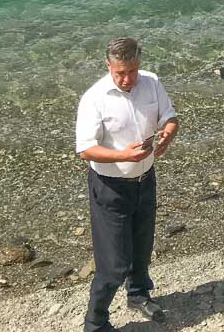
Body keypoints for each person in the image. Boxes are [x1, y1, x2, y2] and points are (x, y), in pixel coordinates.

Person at [76, 37, 179, 330]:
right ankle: (95, 322)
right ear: (108, 65)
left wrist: (168, 134)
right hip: (110, 188)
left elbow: (170, 117)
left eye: (132, 71)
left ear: (139, 63)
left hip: (146, 181)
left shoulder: (151, 83)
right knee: (113, 265)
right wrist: (122, 155)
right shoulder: (94, 98)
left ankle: (138, 294)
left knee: (142, 246)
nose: (127, 78)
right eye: (120, 72)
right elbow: (84, 149)